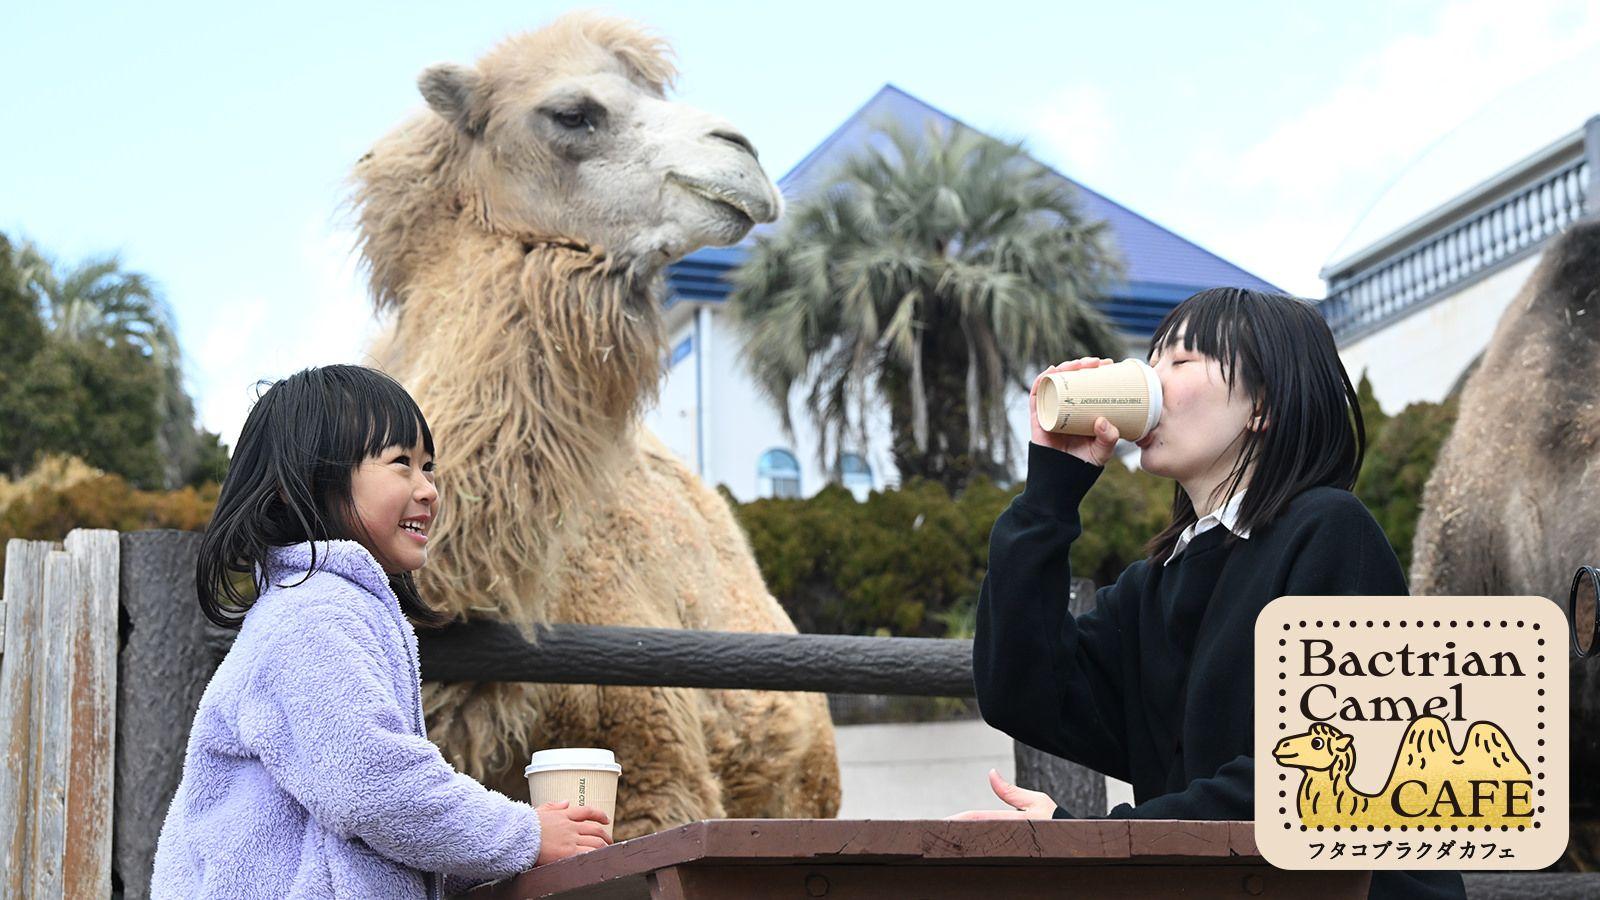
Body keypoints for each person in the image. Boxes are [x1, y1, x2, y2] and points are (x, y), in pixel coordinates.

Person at [958, 289, 1465, 899]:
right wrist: (1051, 494)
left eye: (1182, 361)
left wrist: (1091, 841)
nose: (1150, 380)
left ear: (1264, 405)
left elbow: (1310, 778)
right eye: (1152, 361)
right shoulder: (1158, 582)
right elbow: (1022, 693)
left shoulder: (1330, 532)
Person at [152, 365, 610, 899]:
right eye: (401, 464)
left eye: (428, 467)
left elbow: (372, 829)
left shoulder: (334, 608)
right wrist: (523, 835)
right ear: (305, 483)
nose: (428, 490)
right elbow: (373, 788)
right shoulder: (311, 614)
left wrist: (502, 847)